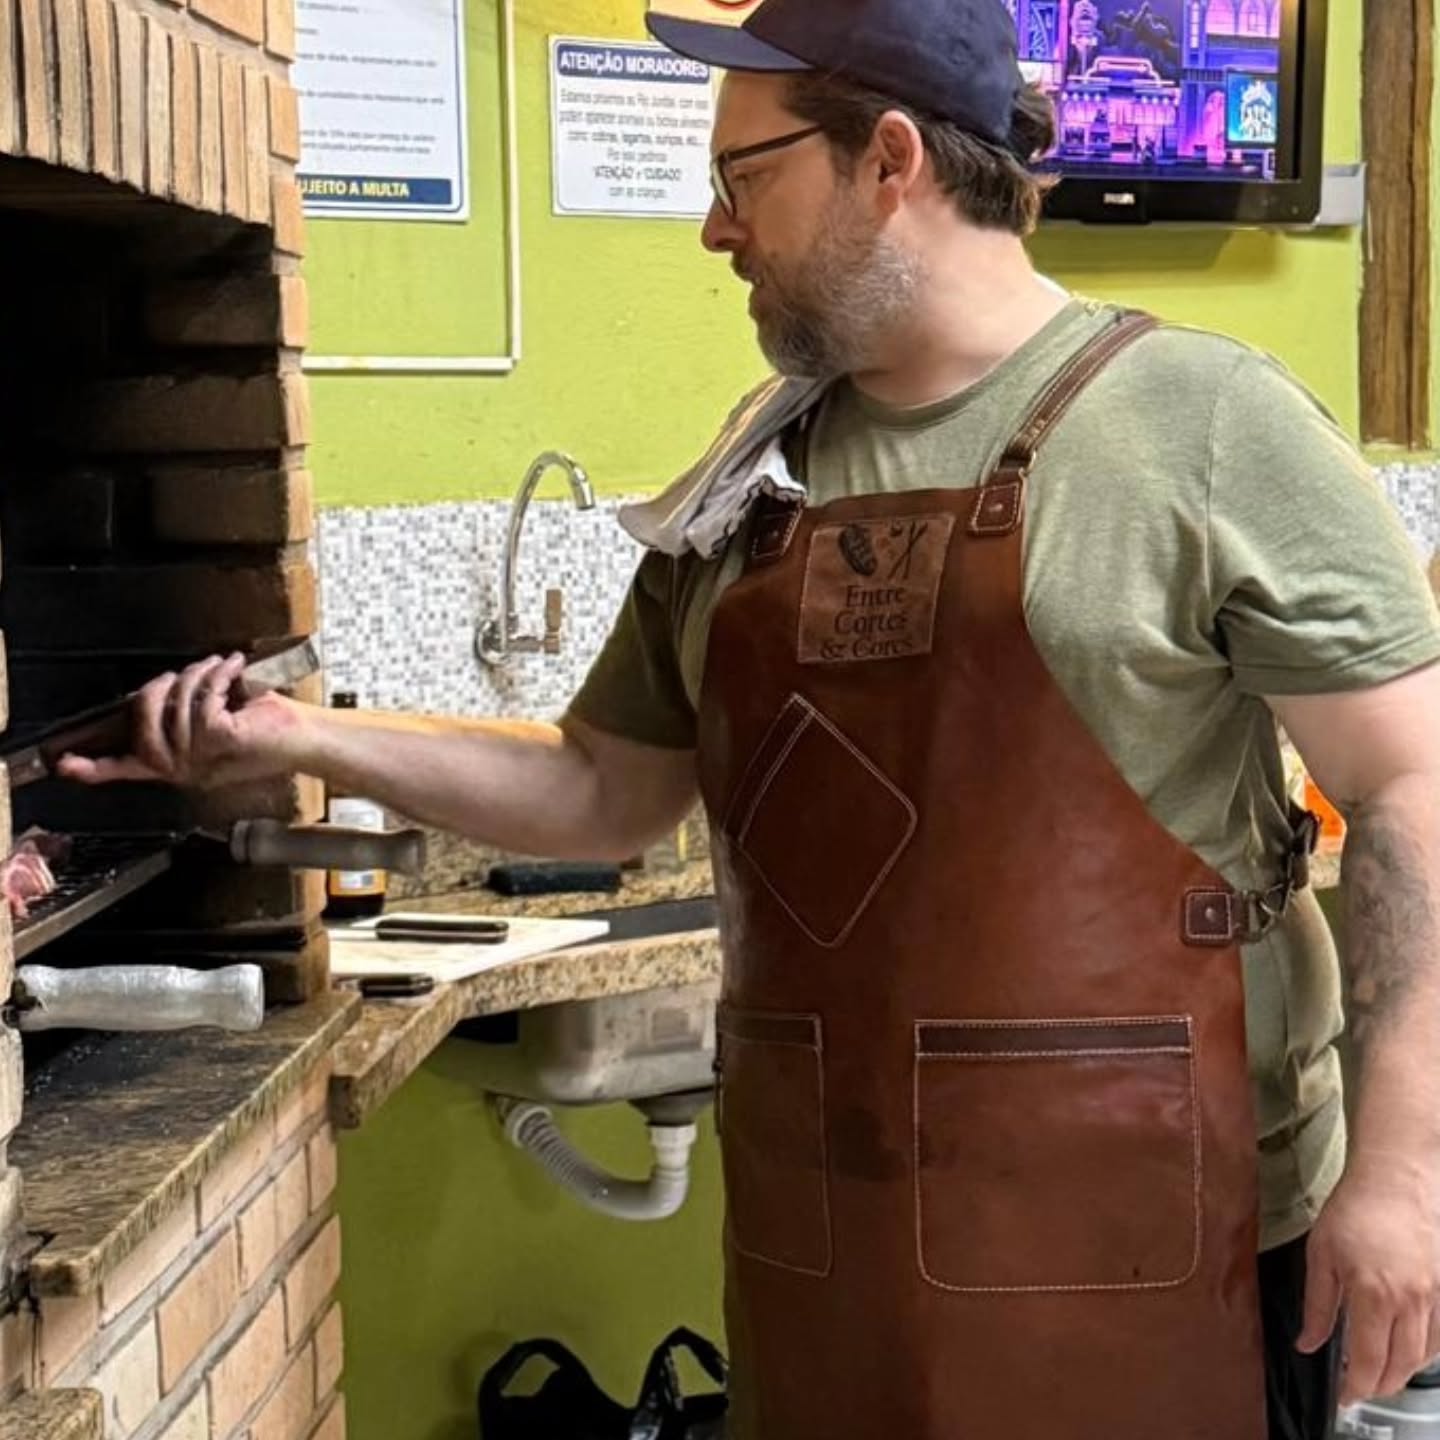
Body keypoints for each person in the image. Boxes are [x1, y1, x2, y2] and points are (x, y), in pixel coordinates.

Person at [60, 0, 1440, 1435]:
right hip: (823, 1230)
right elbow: (606, 787)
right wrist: (301, 740)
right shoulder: (753, 467)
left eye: (744, 178)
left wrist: (1403, 1173)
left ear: (890, 158)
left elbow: (1412, 789)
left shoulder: (1205, 423)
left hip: (1173, 1238)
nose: (716, 230)